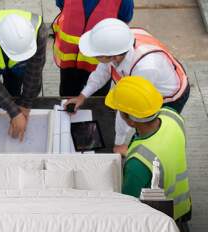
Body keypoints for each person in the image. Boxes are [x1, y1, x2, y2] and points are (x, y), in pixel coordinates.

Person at [65, 18, 190, 155]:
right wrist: (82, 96)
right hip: (159, 76)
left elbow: (127, 109)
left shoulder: (144, 68)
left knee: (148, 131)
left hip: (170, 98)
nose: (94, 57)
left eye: (97, 55)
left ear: (114, 57)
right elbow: (101, 73)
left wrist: (119, 144)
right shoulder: (120, 42)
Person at [105, 76, 191, 223]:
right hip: (183, 204)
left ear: (131, 120)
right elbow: (164, 148)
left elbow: (128, 206)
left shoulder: (137, 165)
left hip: (162, 218)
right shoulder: (172, 116)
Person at [0, 9, 47, 141]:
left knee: (14, 89)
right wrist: (14, 112)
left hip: (18, 67)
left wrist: (24, 106)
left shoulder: (38, 31)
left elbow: (35, 71)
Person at [53, 0, 134, 97]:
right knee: (67, 95)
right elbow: (62, 6)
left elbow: (122, 22)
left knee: (97, 98)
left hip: (100, 61)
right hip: (69, 58)